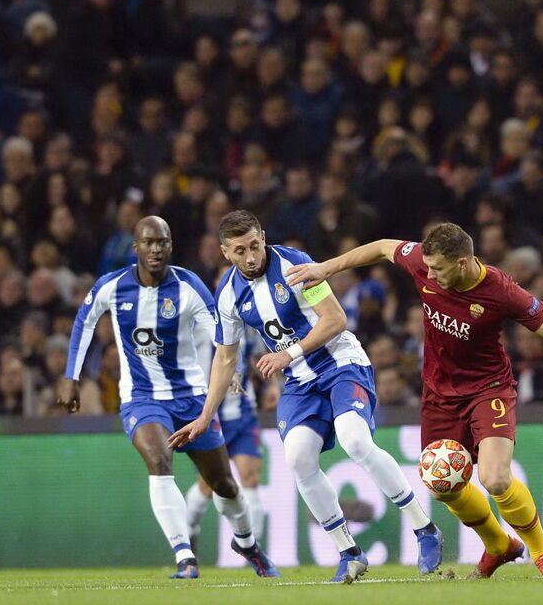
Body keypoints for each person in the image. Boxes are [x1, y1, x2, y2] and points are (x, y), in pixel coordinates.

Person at [283, 222, 543, 581]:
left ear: (463, 263)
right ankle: (499, 545)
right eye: (428, 267)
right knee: (441, 484)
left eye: (438, 269)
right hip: (438, 394)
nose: (429, 274)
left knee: (495, 478)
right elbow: (383, 247)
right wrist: (327, 267)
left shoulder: (500, 291)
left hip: (488, 389)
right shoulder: (424, 261)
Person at [169, 210, 442, 584]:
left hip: (341, 363)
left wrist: (288, 354)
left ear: (263, 237)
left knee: (356, 440)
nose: (251, 257)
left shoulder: (295, 265)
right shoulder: (229, 295)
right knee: (298, 459)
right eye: (240, 251)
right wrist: (204, 417)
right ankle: (350, 553)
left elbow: (335, 320)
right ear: (224, 252)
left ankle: (424, 529)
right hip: (299, 383)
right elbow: (225, 357)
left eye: (254, 245)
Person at [57, 216, 278, 579]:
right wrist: (71, 376)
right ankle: (185, 557)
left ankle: (248, 544)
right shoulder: (111, 287)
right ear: (136, 248)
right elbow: (83, 321)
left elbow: (223, 333)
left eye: (162, 242)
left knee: (224, 484)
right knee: (159, 462)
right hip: (141, 397)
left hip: (192, 398)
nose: (156, 249)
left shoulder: (189, 287)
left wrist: (234, 370)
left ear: (170, 246)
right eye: (148, 242)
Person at [185, 325, 266, 551]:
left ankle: (254, 548)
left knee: (250, 478)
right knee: (207, 486)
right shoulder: (201, 324)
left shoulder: (250, 325)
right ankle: (188, 532)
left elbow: (258, 356)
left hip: (242, 415)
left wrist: (273, 385)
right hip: (209, 415)